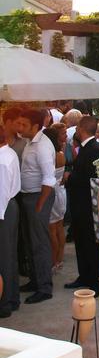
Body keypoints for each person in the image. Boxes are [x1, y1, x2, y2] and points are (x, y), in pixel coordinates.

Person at [19, 108, 57, 304]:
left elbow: (49, 179)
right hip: (29, 196)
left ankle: (44, 286)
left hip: (38, 197)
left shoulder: (42, 145)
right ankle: (35, 280)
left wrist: (40, 205)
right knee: (30, 241)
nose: (20, 128)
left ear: (35, 126)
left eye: (24, 124)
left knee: (39, 242)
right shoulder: (30, 141)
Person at [64, 116, 99, 295]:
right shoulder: (88, 148)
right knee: (81, 241)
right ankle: (85, 275)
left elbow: (89, 178)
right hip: (81, 204)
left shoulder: (93, 149)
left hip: (87, 205)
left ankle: (95, 280)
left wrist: (70, 178)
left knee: (90, 243)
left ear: (81, 128)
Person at [0, 127, 21, 318]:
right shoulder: (9, 153)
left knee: (4, 257)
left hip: (4, 209)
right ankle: (12, 297)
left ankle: (5, 302)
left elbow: (2, 192)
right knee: (9, 255)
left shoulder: (2, 159)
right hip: (9, 207)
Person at [44, 124, 67, 271]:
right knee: (59, 227)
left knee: (52, 229)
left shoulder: (51, 156)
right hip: (61, 192)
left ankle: (54, 260)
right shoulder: (61, 154)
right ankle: (59, 258)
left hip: (53, 192)